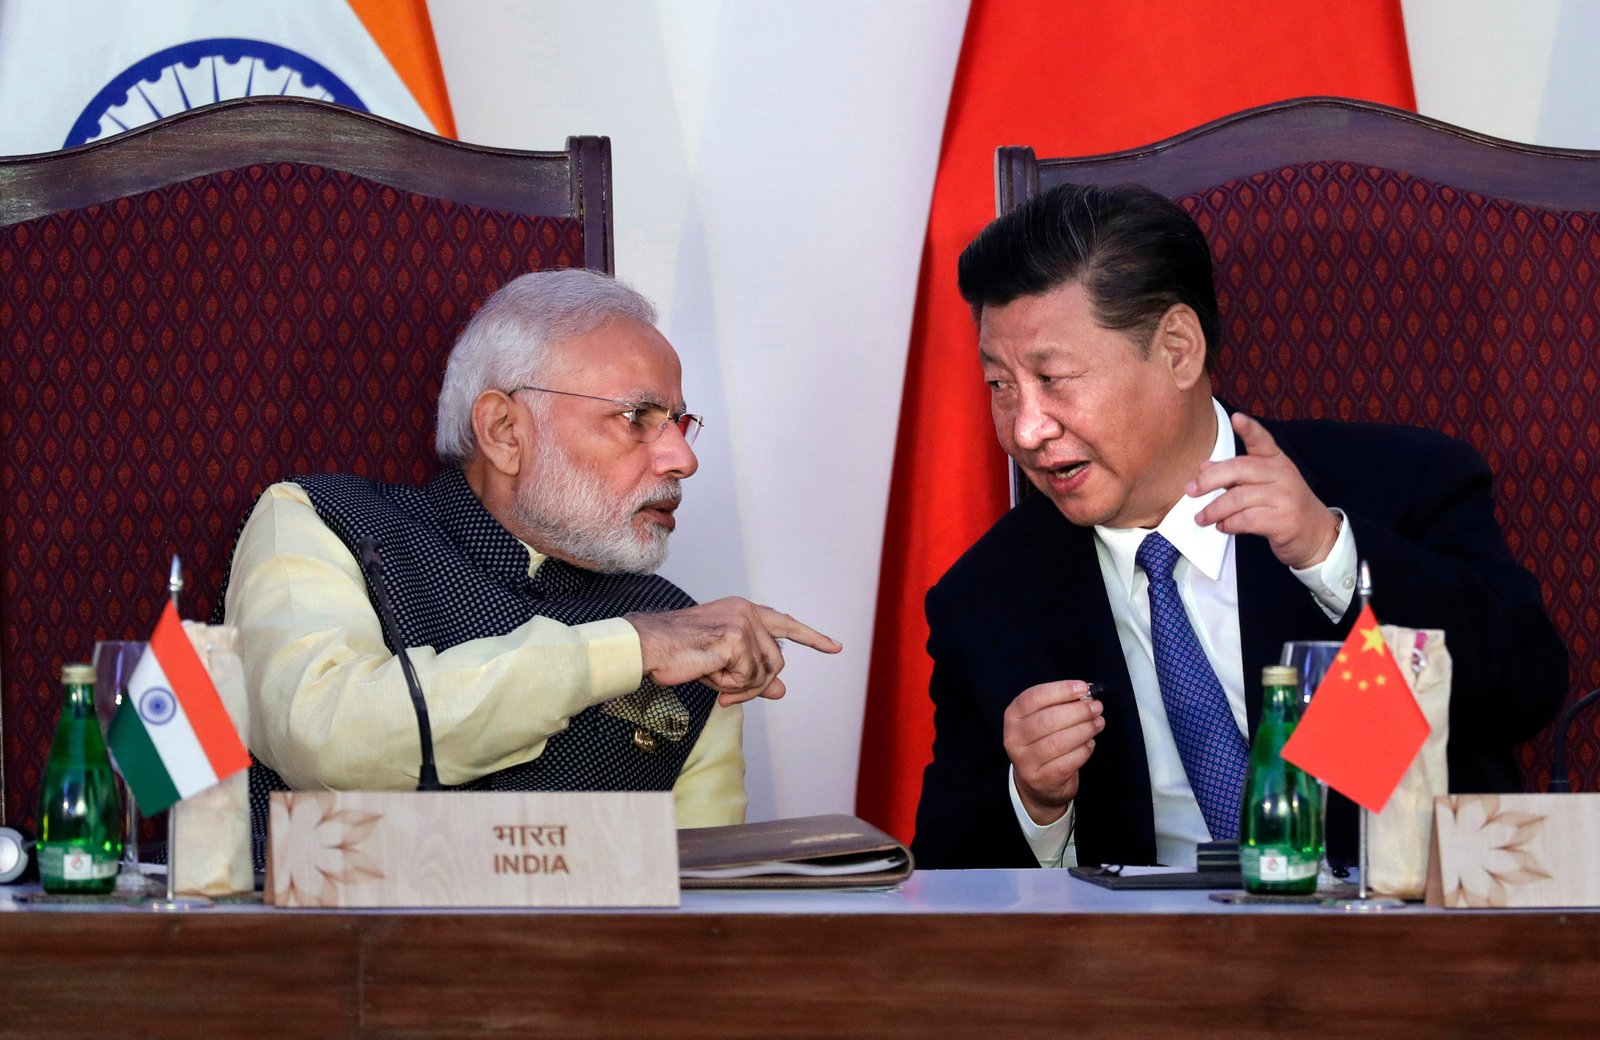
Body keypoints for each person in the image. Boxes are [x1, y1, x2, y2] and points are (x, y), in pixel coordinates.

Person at [911, 183, 1567, 870]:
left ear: (1177, 349)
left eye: (1053, 378)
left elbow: (1524, 692)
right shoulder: (987, 598)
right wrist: (1034, 799)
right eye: (1000, 385)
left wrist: (1330, 554)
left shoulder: (1397, 486)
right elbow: (945, 881)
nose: (1026, 429)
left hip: (1389, 950)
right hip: (1135, 968)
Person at [224, 268, 841, 841]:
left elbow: (701, 908)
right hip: (325, 951)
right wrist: (629, 648)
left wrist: (653, 636)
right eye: (638, 418)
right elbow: (326, 739)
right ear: (505, 432)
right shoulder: (322, 519)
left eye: (679, 422)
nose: (683, 459)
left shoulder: (687, 633)